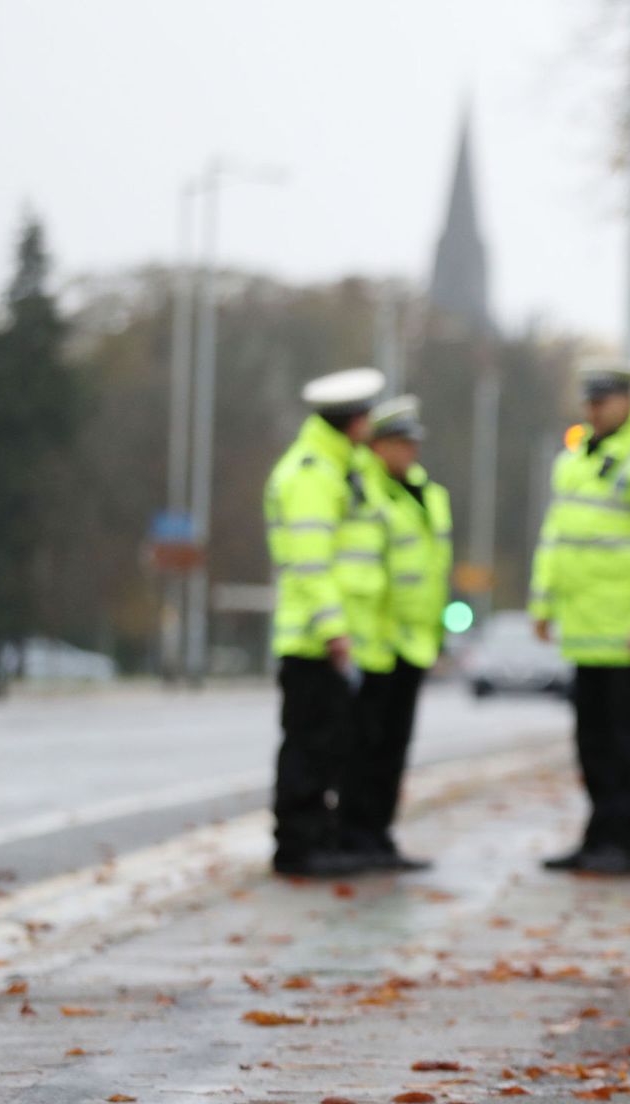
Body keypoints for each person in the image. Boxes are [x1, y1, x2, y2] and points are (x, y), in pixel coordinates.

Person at [528, 363, 630, 876]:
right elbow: (556, 536)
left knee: (623, 742)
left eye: (603, 402)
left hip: (626, 633)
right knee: (591, 742)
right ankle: (597, 836)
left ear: (627, 402)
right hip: (584, 629)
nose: (594, 412)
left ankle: (620, 843)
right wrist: (542, 601)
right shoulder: (575, 460)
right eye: (589, 403)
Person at [263, 366, 387, 878]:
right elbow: (312, 563)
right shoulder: (314, 473)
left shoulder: (342, 468)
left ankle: (318, 839)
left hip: (332, 637)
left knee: (328, 747)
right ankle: (298, 845)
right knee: (309, 749)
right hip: (315, 638)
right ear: (355, 421)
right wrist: (335, 630)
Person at [336, 395, 452, 872]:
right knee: (362, 746)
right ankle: (353, 835)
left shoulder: (431, 495)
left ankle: (379, 836)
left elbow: (432, 571)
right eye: (399, 443)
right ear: (377, 445)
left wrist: (437, 632)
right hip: (373, 641)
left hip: (413, 640)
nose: (409, 453)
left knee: (394, 748)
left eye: (412, 444)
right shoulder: (364, 490)